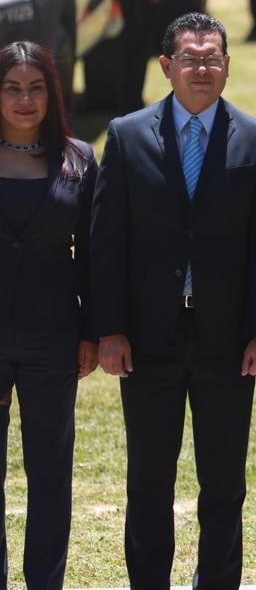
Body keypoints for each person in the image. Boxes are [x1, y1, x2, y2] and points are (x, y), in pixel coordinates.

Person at [89, 12, 256, 587]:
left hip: (228, 342)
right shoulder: (126, 138)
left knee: (224, 485)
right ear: (166, 67)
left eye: (213, 57)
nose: (203, 67)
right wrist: (110, 328)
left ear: (228, 65)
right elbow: (106, 243)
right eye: (192, 58)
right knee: (148, 482)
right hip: (147, 340)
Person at [0, 41, 97, 589]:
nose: (24, 99)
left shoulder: (79, 160)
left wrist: (90, 331)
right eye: (12, 87)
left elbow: (95, 257)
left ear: (52, 93)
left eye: (35, 87)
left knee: (50, 475)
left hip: (53, 341)